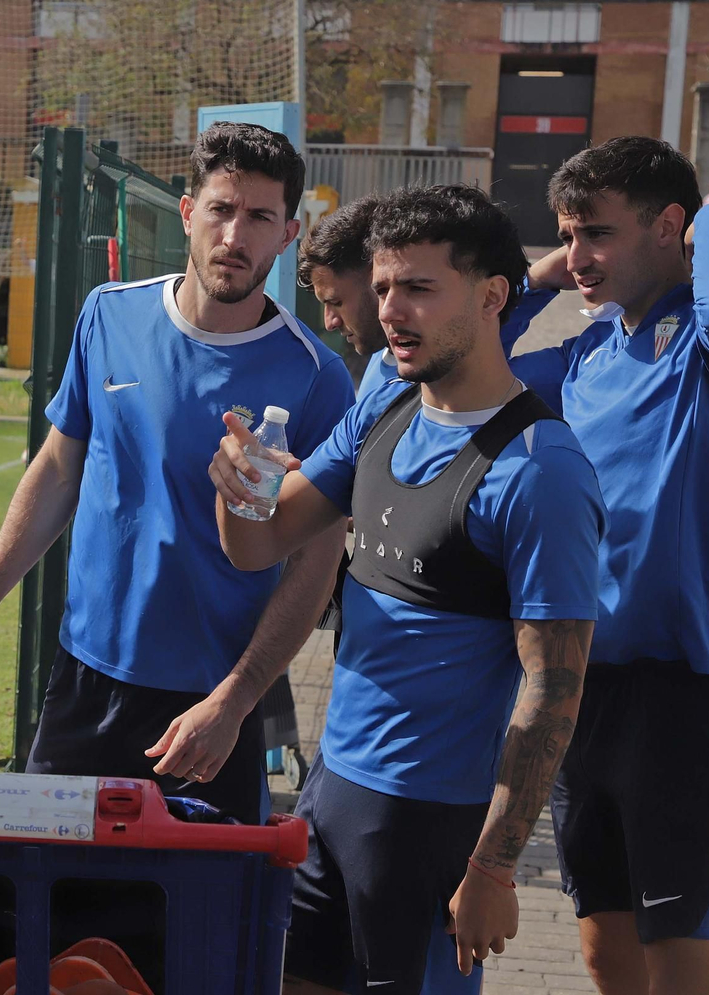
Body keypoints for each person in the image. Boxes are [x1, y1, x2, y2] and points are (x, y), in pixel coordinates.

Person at [213, 184, 605, 992]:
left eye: (420, 287)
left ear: (493, 296)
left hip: (429, 823)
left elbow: (553, 689)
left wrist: (494, 868)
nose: (392, 309)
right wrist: (236, 491)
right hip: (330, 795)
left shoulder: (540, 471)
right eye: (385, 287)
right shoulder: (385, 405)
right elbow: (262, 543)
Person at [0, 122, 355, 825]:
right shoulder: (109, 315)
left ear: (287, 235)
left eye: (259, 217)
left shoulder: (317, 378)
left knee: (194, 925)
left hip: (211, 706)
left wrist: (238, 697)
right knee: (52, 908)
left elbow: (316, 564)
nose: (235, 236)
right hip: (85, 682)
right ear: (190, 212)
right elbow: (58, 468)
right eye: (222, 209)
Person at [509, 135, 709, 995]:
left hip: (687, 696)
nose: (578, 257)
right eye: (567, 235)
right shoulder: (586, 357)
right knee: (606, 957)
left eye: (596, 233)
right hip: (580, 693)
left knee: (690, 971)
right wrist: (536, 282)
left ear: (669, 227)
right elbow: (464, 376)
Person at [298, 194, 548, 397]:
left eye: (336, 302)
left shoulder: (444, 356)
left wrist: (539, 282)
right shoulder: (387, 358)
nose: (330, 322)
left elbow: (490, 309)